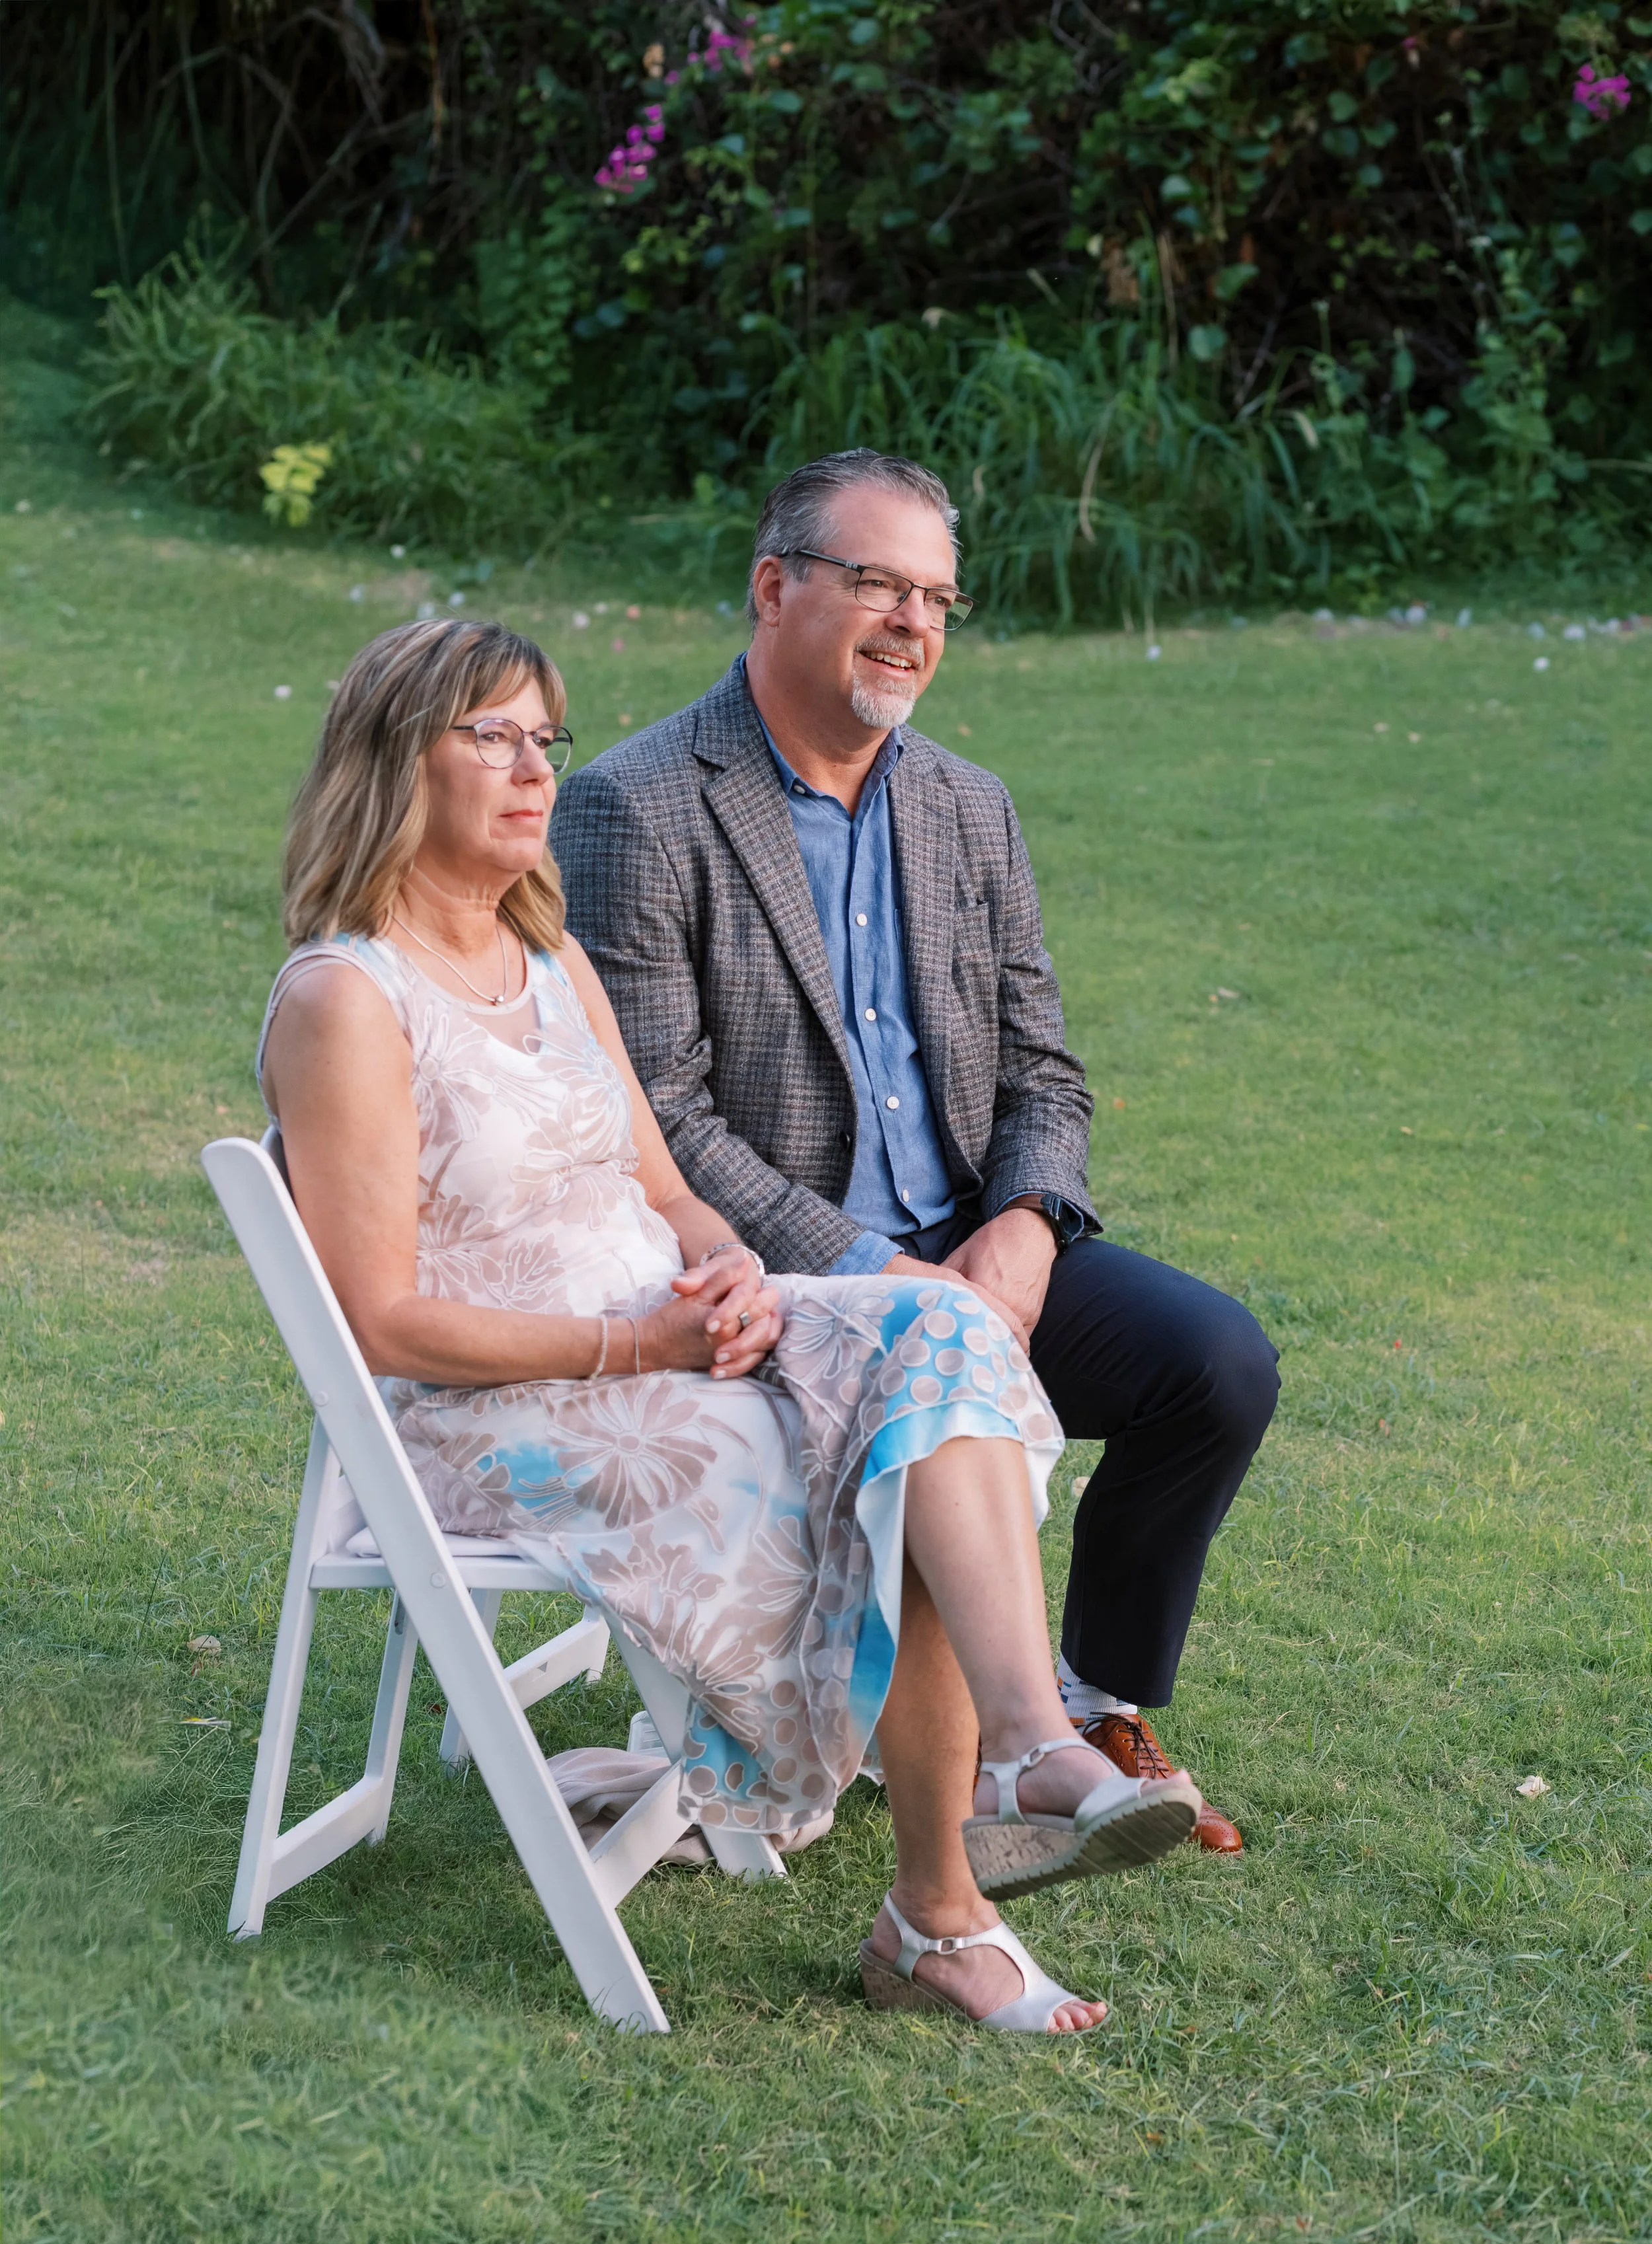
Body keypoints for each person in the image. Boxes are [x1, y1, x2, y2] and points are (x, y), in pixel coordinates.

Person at [257, 616, 1202, 2037]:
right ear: (395, 762)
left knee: (934, 1338)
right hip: (500, 1411)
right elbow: (382, 1324)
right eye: (493, 737)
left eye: (544, 738)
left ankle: (1022, 1743)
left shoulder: (548, 960)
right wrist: (641, 1347)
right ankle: (938, 1914)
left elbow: (668, 1193)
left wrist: (731, 1272)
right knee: (881, 1457)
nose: (536, 771)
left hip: (672, 1341)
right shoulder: (348, 1000)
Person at [552, 449, 1280, 1851]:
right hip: (785, 1279)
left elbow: (1039, 1065)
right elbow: (664, 1119)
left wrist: (1028, 1222)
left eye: (937, 597)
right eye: (877, 583)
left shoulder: (967, 804)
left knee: (1213, 1365)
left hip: (970, 1246)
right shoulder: (639, 802)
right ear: (775, 588)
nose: (912, 624)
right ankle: (1007, 1755)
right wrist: (881, 1268)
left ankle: (1093, 1702)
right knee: (938, 1360)